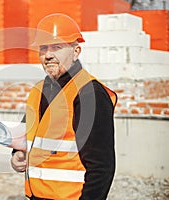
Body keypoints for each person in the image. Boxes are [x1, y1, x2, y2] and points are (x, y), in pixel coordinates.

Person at [11, 13, 117, 200]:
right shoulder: (38, 91)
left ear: (76, 51)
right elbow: (28, 137)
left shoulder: (88, 93)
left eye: (57, 47)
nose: (48, 55)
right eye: (43, 48)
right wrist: (17, 154)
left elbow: (101, 168)